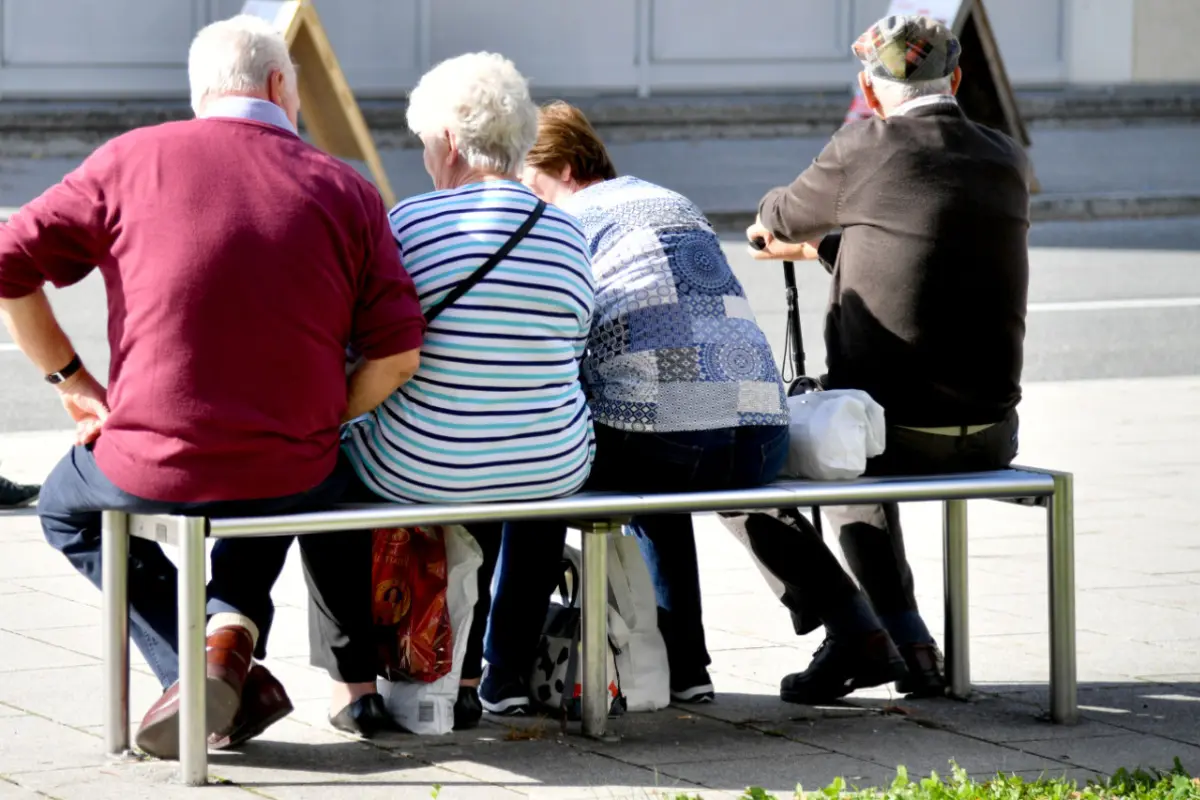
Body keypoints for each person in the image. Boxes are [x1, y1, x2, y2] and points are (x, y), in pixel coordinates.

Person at [0, 15, 425, 756]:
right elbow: (396, 359)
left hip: (149, 462)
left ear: (200, 92)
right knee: (293, 471)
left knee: (66, 506)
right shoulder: (346, 187)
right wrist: (320, 418)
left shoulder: (128, 161)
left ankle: (199, 669)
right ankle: (224, 641)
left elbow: (7, 261)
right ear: (279, 87)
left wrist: (73, 382)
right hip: (291, 465)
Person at [727, 14, 1030, 704]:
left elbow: (778, 214)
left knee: (804, 451)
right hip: (992, 431)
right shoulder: (1006, 157)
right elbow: (928, 247)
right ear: (954, 80)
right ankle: (909, 647)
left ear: (868, 84)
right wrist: (823, 251)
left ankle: (875, 632)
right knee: (865, 428)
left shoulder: (864, 143)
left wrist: (782, 233)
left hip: (898, 437)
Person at [477, 101, 792, 716]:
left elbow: (558, 350)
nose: (524, 197)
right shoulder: (672, 200)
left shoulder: (563, 225)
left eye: (527, 180)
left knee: (547, 470)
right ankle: (688, 669)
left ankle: (504, 674)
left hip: (669, 444)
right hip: (760, 441)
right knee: (662, 471)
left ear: (565, 168)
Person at [336, 52, 596, 730]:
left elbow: (369, 346)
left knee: (332, 456)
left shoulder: (411, 224)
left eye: (423, 141)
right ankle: (477, 671)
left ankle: (359, 683)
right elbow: (568, 351)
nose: (423, 156)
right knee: (491, 431)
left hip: (426, 466)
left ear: (449, 143)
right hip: (550, 464)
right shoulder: (569, 234)